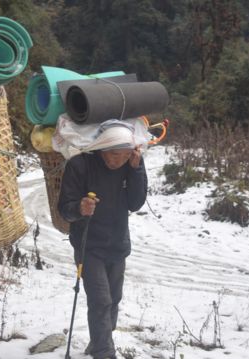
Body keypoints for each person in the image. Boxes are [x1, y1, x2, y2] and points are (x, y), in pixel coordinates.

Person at [58, 121, 148, 359]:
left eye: (125, 155)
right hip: (89, 245)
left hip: (118, 243)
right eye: (114, 154)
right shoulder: (80, 165)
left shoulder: (131, 164)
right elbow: (64, 209)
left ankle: (98, 341)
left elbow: (135, 203)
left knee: (114, 300)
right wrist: (80, 207)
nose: (118, 161)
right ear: (102, 147)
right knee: (101, 301)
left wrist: (137, 169)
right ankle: (104, 352)